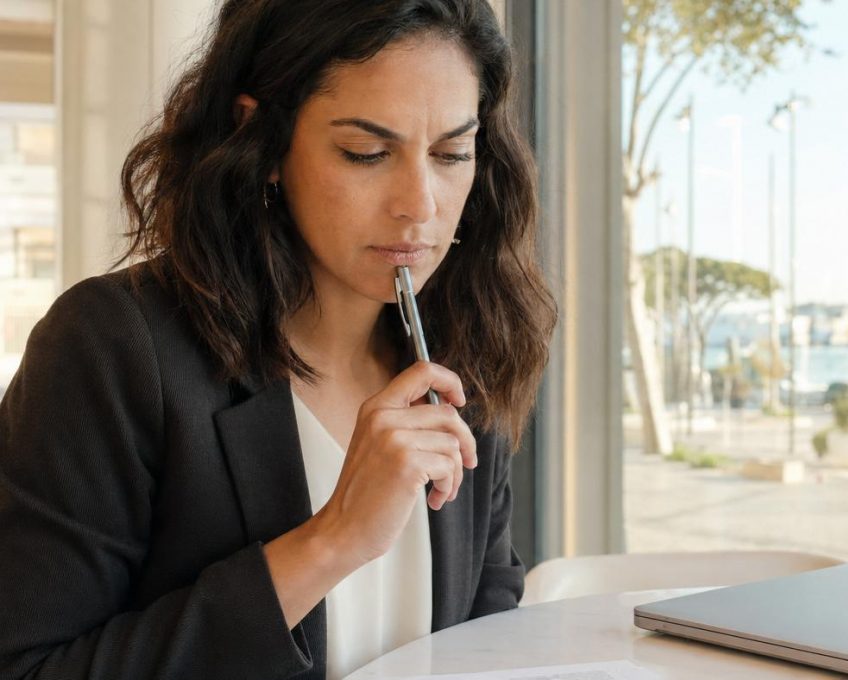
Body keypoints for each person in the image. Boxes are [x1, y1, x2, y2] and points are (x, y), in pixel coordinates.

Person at [0, 1, 556, 678]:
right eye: (366, 153)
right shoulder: (113, 347)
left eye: (451, 153)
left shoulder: (467, 344)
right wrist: (332, 541)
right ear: (260, 138)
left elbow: (489, 639)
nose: (421, 204)